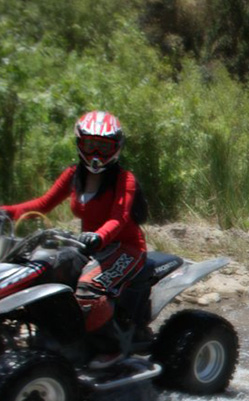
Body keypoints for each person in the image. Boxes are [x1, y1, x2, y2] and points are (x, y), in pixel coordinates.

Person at [0, 110, 147, 368]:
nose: (96, 154)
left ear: (116, 147)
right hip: (89, 247)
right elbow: (43, 204)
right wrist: (6, 212)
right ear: (80, 144)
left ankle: (111, 347)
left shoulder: (125, 179)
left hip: (126, 248)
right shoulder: (73, 175)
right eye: (90, 145)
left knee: (89, 290)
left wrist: (98, 236)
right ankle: (61, 335)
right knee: (44, 271)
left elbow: (120, 218)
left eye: (104, 147)